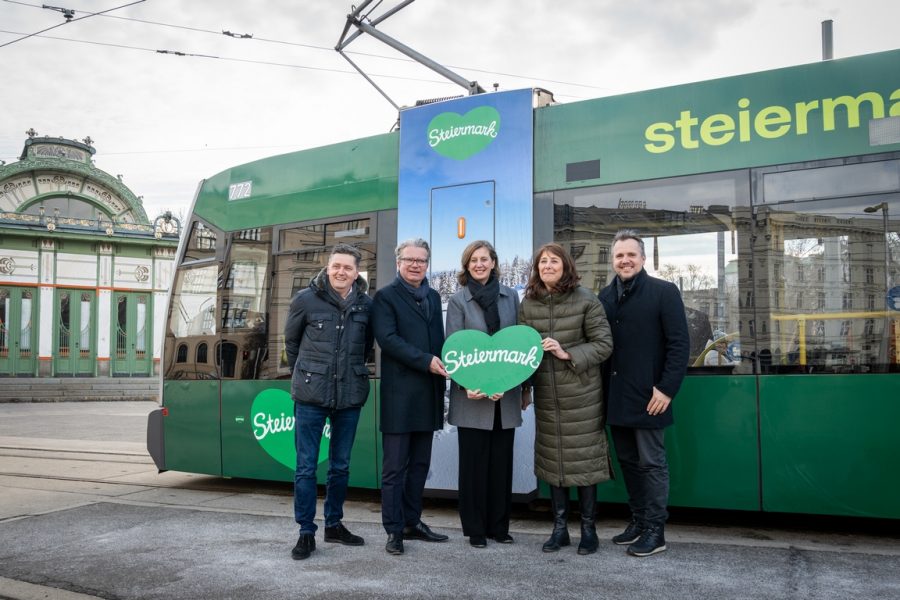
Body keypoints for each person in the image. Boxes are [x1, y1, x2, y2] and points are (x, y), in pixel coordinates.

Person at [598, 230, 689, 557]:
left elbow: (680, 345)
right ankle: (638, 521)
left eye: (631, 255)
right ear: (613, 260)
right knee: (628, 462)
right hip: (616, 397)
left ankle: (655, 530)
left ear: (643, 258)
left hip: (651, 397)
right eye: (619, 256)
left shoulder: (664, 292)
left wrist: (667, 389)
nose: (625, 260)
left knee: (652, 463)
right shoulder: (604, 297)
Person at [518, 242, 613, 555]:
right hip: (547, 394)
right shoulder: (529, 303)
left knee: (583, 461)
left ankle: (588, 530)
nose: (547, 266)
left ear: (566, 266)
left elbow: (603, 344)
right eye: (542, 262)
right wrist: (525, 388)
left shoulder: (587, 299)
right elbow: (523, 352)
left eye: (553, 261)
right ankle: (559, 529)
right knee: (553, 461)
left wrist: (567, 352)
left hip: (582, 394)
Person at [284, 244, 374, 560]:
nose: (341, 272)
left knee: (341, 465)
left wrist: (348, 371)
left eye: (347, 267)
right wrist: (311, 372)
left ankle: (334, 524)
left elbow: (366, 347)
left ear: (356, 272)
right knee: (306, 466)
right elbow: (291, 345)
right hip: (311, 395)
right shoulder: (305, 300)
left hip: (349, 394)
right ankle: (306, 532)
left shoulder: (366, 305)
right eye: (336, 266)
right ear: (328, 266)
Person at [445, 240, 526, 549]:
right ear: (467, 266)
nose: (479, 264)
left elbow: (515, 345)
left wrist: (510, 383)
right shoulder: (458, 301)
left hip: (504, 397)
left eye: (484, 259)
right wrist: (471, 386)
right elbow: (454, 348)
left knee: (501, 466)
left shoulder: (510, 297)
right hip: (473, 397)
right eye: (473, 260)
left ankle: (499, 527)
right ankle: (476, 529)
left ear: (494, 262)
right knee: (474, 466)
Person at [372, 238, 450, 556]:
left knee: (419, 465)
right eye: (409, 259)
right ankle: (393, 531)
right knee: (394, 469)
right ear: (398, 261)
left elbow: (440, 342)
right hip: (400, 397)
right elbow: (388, 340)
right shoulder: (385, 297)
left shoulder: (431, 295)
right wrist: (426, 361)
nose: (416, 264)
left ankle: (412, 522)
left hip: (428, 394)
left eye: (421, 260)